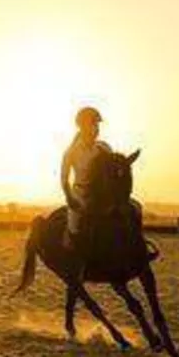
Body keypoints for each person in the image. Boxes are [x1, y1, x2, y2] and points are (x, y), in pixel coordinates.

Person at [60, 106, 111, 253]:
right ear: (82, 126)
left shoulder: (104, 148)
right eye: (93, 124)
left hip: (102, 195)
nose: (96, 128)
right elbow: (64, 180)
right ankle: (78, 263)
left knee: (130, 212)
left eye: (97, 125)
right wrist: (70, 198)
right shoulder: (71, 152)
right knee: (75, 228)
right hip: (81, 196)